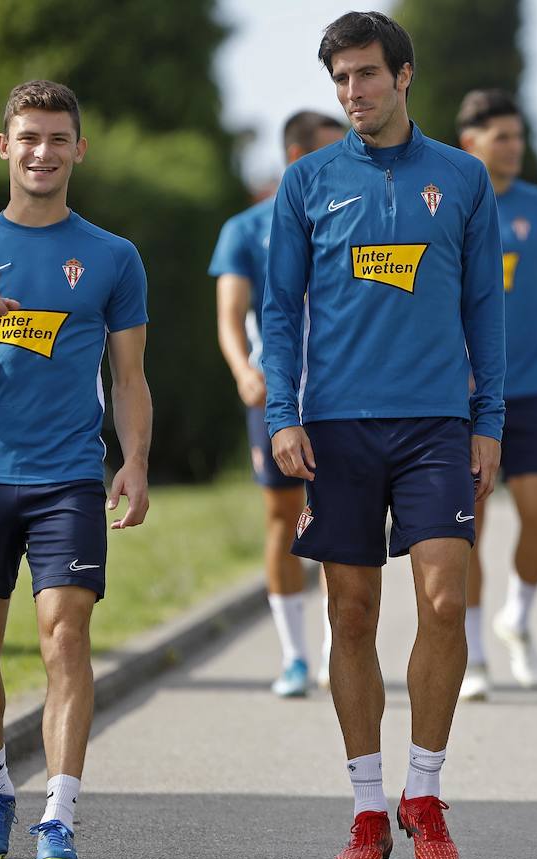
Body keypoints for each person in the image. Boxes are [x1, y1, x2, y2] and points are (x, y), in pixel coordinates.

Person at [261, 11, 504, 859]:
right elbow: (281, 312)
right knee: (352, 612)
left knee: (444, 601)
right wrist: (280, 415)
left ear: (404, 76)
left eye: (366, 74)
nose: (352, 92)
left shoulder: (465, 179)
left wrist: (490, 420)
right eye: (339, 79)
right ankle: (369, 805)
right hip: (335, 424)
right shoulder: (307, 183)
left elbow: (486, 309)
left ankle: (425, 790)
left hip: (438, 421)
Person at [0, 81, 151, 859]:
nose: (42, 152)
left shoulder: (114, 257)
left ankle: (58, 816)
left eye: (57, 138)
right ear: (3, 147)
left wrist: (137, 461)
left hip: (69, 480)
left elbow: (130, 377)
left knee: (66, 640)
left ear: (78, 150)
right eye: (28, 138)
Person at [454, 89, 537, 702]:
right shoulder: (448, 202)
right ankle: (475, 655)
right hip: (457, 397)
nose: (514, 146)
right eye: (501, 136)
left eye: (517, 136)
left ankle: (518, 616)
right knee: (467, 529)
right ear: (470, 142)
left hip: (528, 392)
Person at [210, 111, 346, 698]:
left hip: (344, 393)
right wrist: (245, 372)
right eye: (330, 153)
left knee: (342, 523)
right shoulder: (246, 228)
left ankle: (335, 652)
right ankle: (293, 656)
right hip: (278, 393)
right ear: (298, 155)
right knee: (283, 519)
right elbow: (229, 315)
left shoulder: (353, 216)